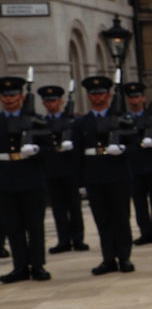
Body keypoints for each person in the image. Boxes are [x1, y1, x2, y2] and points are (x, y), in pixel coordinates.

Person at [71, 76, 134, 275]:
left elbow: (134, 145)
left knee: (121, 218)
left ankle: (124, 257)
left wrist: (122, 148)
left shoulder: (122, 118)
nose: (97, 97)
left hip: (117, 174)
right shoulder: (81, 123)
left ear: (108, 95)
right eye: (93, 94)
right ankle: (108, 258)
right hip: (94, 176)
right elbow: (77, 155)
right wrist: (80, 181)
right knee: (102, 219)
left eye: (101, 93)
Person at [0, 76, 50, 283]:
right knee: (13, 226)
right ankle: (20, 266)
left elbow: (49, 149)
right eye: (5, 96)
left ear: (21, 96)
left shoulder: (36, 120)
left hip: (31, 178)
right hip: (5, 179)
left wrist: (36, 150)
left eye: (13, 95)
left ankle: (37, 265)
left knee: (35, 226)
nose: (9, 99)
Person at [38, 84, 87, 255]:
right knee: (58, 208)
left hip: (70, 169)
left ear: (61, 101)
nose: (51, 104)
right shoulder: (40, 123)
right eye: (47, 101)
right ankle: (63, 240)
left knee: (74, 207)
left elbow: (81, 147)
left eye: (54, 100)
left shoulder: (72, 122)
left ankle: (78, 238)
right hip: (52, 170)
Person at [121, 81, 152, 245]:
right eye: (131, 97)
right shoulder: (123, 120)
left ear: (143, 98)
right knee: (139, 203)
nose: (134, 100)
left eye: (137, 97)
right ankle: (145, 232)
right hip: (134, 166)